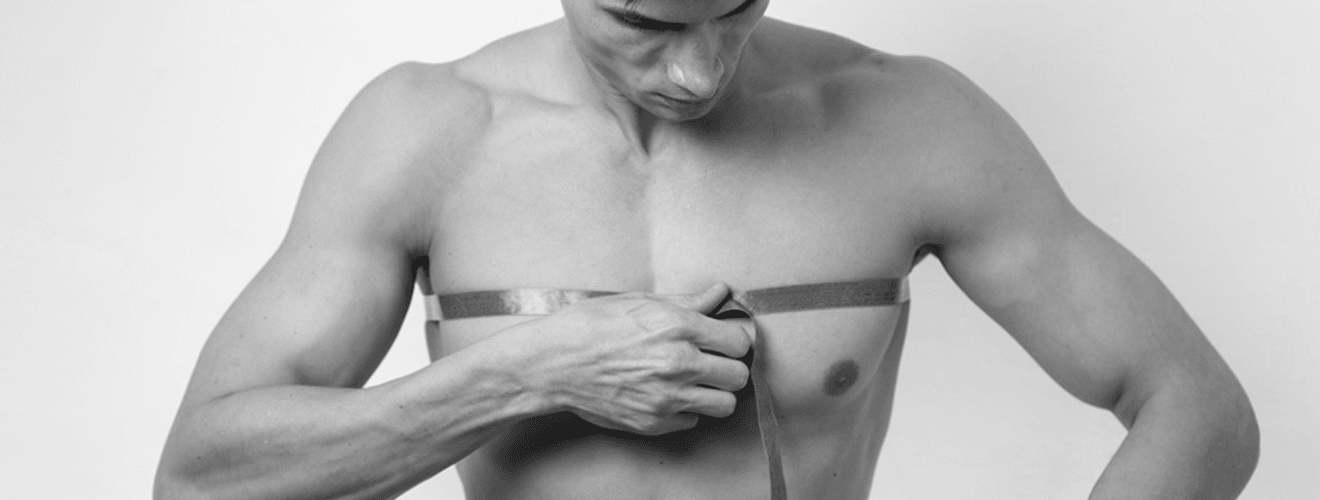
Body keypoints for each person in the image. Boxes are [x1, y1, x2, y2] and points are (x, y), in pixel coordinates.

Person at [155, 0, 1260, 498]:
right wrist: (523, 372)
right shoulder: (425, 134)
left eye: (733, 9)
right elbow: (204, 480)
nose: (696, 72)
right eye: (643, 23)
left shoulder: (911, 121)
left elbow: (1196, 407)